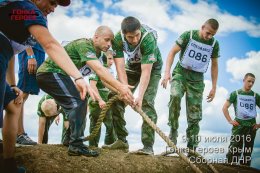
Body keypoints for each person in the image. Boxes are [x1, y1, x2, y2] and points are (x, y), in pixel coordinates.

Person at [0, 1, 95, 172]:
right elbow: (51, 45)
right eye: (52, 2)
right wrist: (78, 77)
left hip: (3, 55)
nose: (53, 8)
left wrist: (13, 84)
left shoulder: (23, 13)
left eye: (56, 6)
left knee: (14, 104)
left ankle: (8, 165)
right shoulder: (28, 10)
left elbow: (10, 52)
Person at [37, 25, 134, 157]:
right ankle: (76, 145)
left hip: (60, 75)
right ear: (96, 37)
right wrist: (121, 87)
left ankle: (69, 140)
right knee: (78, 103)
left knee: (80, 101)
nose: (109, 44)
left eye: (111, 41)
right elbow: (100, 70)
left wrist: (119, 92)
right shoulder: (84, 45)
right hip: (49, 73)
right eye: (106, 40)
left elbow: (103, 79)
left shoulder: (98, 55)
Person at [103, 16, 163, 155]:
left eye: (137, 35)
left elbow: (146, 72)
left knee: (147, 102)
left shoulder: (148, 39)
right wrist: (124, 90)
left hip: (152, 69)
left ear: (140, 30)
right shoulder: (117, 39)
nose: (135, 40)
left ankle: (148, 146)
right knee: (115, 96)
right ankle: (122, 141)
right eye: (130, 37)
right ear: (124, 35)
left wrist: (139, 97)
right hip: (131, 67)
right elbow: (120, 67)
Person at [161, 18, 220, 154]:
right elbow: (172, 52)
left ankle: (192, 148)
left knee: (195, 116)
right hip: (180, 74)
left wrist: (214, 87)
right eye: (208, 33)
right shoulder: (189, 35)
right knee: (175, 96)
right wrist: (167, 73)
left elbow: (215, 65)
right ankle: (173, 131)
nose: (209, 36)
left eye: (212, 34)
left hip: (197, 81)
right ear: (202, 27)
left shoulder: (214, 44)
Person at [222, 73, 260, 166]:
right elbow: (224, 108)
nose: (251, 84)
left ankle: (245, 168)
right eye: (249, 81)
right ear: (244, 80)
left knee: (248, 150)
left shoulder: (255, 95)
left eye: (253, 82)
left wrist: (259, 124)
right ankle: (230, 167)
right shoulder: (235, 94)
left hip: (251, 127)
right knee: (235, 148)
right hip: (238, 126)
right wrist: (230, 120)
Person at [16, 44, 45, 146]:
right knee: (21, 94)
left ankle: (20, 133)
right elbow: (24, 34)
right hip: (30, 51)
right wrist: (30, 55)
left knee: (25, 93)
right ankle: (18, 133)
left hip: (39, 51)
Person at [88, 50, 116, 147]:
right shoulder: (97, 68)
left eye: (113, 59)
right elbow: (92, 85)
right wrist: (99, 100)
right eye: (109, 59)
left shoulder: (111, 71)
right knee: (95, 126)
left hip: (108, 101)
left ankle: (109, 147)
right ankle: (92, 147)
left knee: (111, 125)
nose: (112, 62)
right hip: (97, 102)